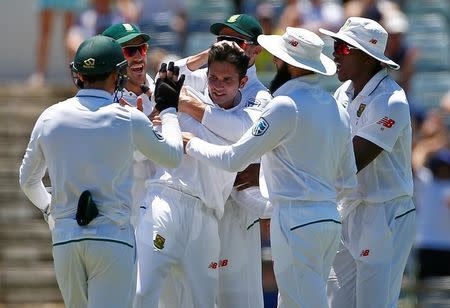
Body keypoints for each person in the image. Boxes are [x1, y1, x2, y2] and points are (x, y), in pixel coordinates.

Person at [182, 27, 357, 308]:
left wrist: (190, 143)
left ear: (285, 63)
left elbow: (233, 160)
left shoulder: (284, 105)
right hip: (329, 220)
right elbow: (348, 180)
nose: (274, 62)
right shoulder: (336, 107)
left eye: (278, 57)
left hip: (296, 219)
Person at [18, 35, 184, 307]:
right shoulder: (129, 119)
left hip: (66, 239)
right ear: (117, 74)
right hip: (112, 238)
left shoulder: (49, 116)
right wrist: (168, 111)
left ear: (79, 75)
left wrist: (51, 210)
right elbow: (173, 157)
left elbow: (28, 180)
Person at [134, 41, 253, 308]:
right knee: (143, 292)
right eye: (213, 77)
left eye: (227, 80)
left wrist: (181, 114)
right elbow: (169, 71)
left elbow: (234, 142)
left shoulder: (248, 120)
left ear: (243, 82)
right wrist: (206, 53)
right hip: (165, 202)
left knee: (203, 302)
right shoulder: (189, 97)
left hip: (207, 217)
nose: (218, 85)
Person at [174, 13, 272, 308]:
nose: (231, 46)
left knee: (238, 294)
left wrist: (192, 107)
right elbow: (172, 72)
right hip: (198, 202)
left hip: (235, 207)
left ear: (257, 50)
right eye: (222, 39)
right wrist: (213, 52)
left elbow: (242, 132)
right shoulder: (211, 72)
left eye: (239, 42)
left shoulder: (259, 94)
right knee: (194, 295)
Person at [319, 17, 416, 308]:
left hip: (384, 213)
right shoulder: (341, 93)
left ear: (368, 57)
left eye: (344, 48)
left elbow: (352, 160)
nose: (335, 52)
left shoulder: (392, 100)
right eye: (336, 45)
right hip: (348, 210)